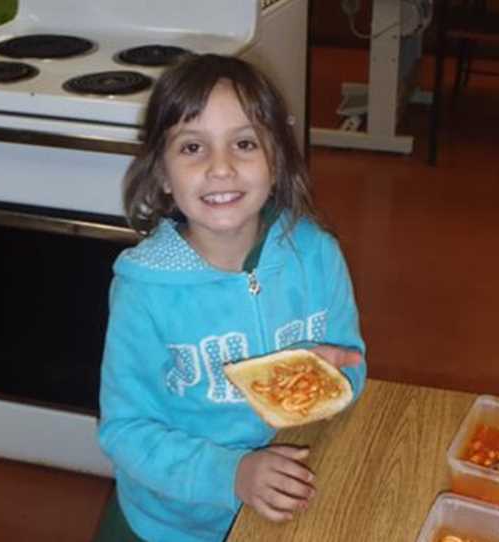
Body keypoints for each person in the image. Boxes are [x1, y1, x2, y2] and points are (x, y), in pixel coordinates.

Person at [95, 53, 367, 542]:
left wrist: (331, 377)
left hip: (288, 501)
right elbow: (126, 430)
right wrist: (232, 475)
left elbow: (352, 366)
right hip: (174, 523)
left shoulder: (318, 256)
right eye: (193, 147)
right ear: (160, 173)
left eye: (244, 143)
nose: (221, 168)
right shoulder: (144, 291)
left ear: (275, 158)